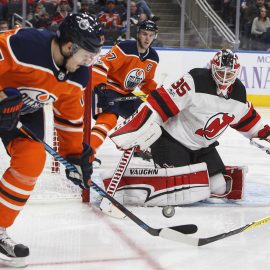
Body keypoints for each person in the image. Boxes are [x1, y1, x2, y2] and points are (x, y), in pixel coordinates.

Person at [0, 13, 102, 266]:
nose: (90, 62)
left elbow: (68, 118)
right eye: (87, 55)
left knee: (32, 160)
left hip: (22, 113)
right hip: (5, 101)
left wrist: (73, 157)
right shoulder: (23, 45)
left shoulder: (78, 75)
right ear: (69, 46)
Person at [107, 49, 270, 207]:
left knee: (219, 187)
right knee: (184, 191)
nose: (225, 78)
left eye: (229, 74)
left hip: (203, 147)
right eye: (221, 72)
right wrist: (139, 128)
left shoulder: (239, 94)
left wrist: (266, 135)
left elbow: (250, 122)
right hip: (172, 140)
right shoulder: (195, 80)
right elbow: (160, 104)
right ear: (213, 68)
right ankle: (157, 157)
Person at [90, 19, 159, 164]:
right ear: (138, 34)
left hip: (126, 93)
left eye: (151, 35)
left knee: (146, 115)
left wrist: (157, 95)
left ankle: (138, 148)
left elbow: (146, 82)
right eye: (145, 34)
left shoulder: (153, 57)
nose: (147, 38)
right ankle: (88, 152)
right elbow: (101, 64)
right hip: (107, 88)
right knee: (108, 119)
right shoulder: (125, 47)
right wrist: (100, 88)